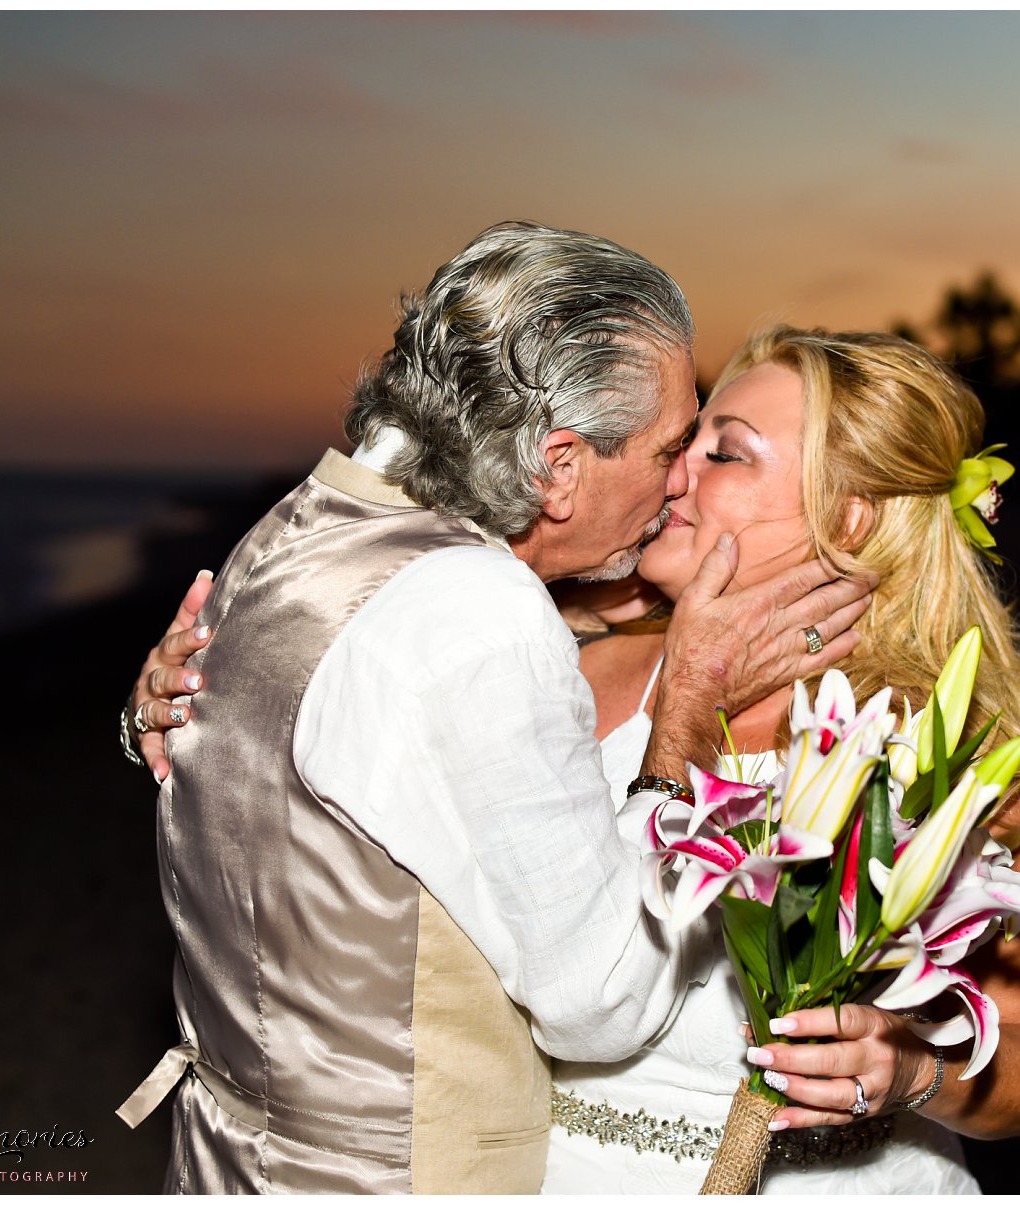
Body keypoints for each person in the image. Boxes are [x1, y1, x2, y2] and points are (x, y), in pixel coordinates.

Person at [132, 324, 1020, 1192]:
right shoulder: (559, 659)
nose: (674, 472)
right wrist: (174, 698)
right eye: (685, 443)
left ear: (849, 514)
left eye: (726, 453)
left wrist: (918, 1069)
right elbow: (325, 741)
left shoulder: (949, 756)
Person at [112, 224, 874, 1194]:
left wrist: (138, 721)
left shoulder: (296, 529)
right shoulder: (488, 614)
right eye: (672, 445)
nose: (682, 478)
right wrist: (683, 709)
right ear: (558, 466)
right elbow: (603, 999)